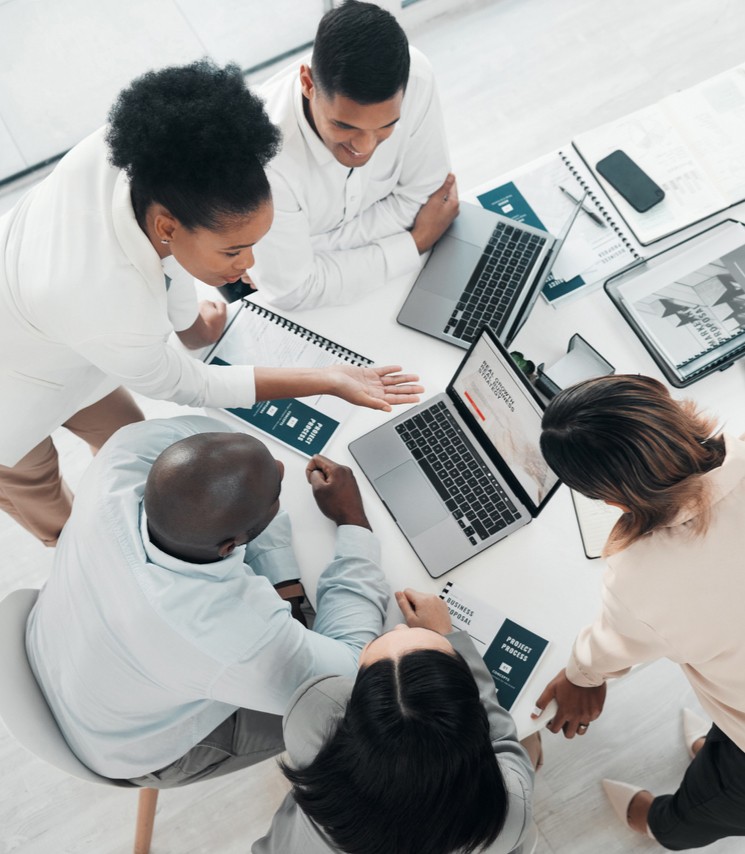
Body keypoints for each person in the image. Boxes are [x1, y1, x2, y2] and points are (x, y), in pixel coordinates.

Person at [0, 59, 422, 547]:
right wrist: (326, 378)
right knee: (58, 513)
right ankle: (85, 552)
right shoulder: (109, 305)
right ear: (168, 226)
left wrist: (192, 325)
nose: (247, 265)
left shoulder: (144, 163)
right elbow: (190, 383)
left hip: (53, 330)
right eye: (232, 251)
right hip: (9, 399)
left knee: (129, 444)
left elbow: (164, 254)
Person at [25, 414, 389, 786]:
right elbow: (351, 673)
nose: (280, 468)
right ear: (229, 546)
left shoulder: (124, 454)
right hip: (121, 744)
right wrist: (353, 521)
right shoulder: (226, 635)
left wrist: (286, 587)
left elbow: (217, 445)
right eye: (276, 495)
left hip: (54, 647)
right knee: (358, 718)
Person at [531, 374, 745, 849]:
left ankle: (661, 826)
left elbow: (610, 646)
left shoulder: (643, 578)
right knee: (724, 739)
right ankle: (716, 751)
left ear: (609, 499)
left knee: (708, 807)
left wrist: (581, 676)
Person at [253, 589, 536, 854]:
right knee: (531, 742)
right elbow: (504, 742)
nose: (400, 628)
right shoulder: (511, 814)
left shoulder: (310, 720)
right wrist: (448, 636)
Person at [251, 0, 459, 310]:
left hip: (374, 284)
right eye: (344, 125)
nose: (364, 146)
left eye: (386, 126)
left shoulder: (416, 78)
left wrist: (307, 250)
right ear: (308, 83)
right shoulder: (260, 158)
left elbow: (429, 199)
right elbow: (292, 291)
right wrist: (414, 242)